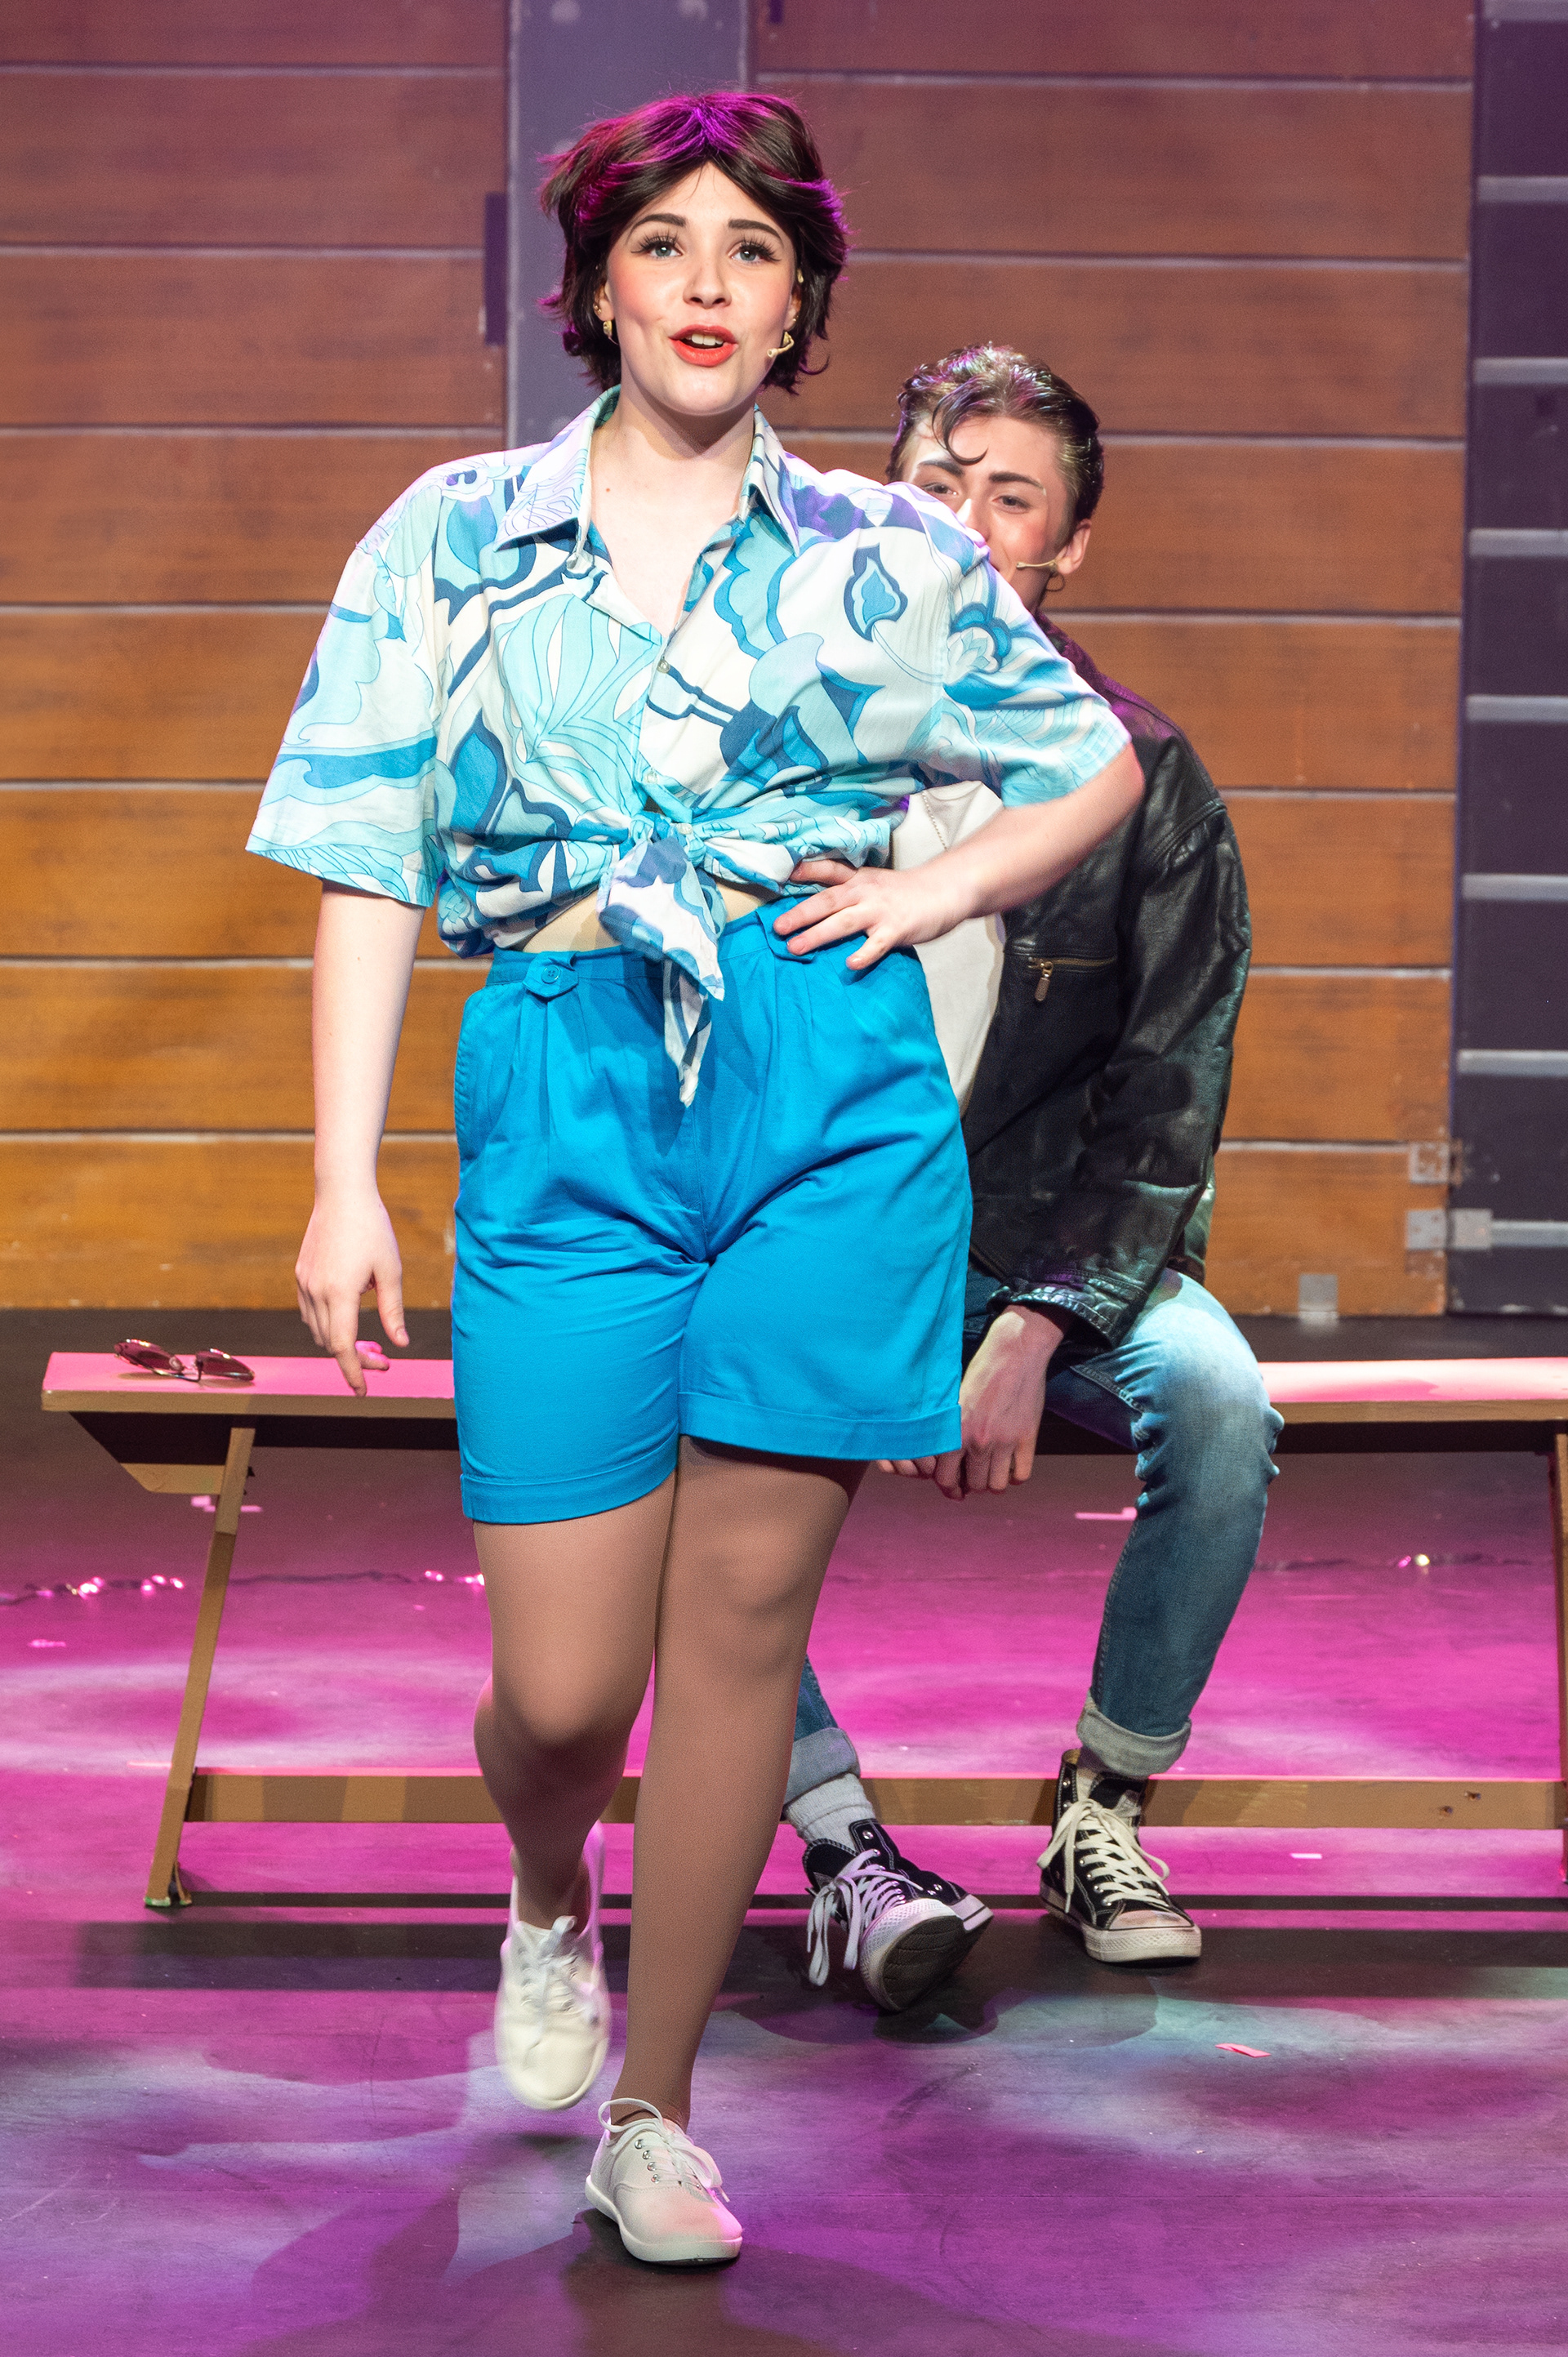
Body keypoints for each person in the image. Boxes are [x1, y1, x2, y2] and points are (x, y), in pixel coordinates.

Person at [247, 104, 1142, 2266]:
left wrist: (936, 890)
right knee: (567, 1691)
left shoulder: (885, 548)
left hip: (825, 1084)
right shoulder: (455, 533)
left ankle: (654, 2109)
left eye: (753, 247)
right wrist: (342, 1177)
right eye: (667, 242)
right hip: (567, 1070)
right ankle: (545, 1882)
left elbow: (1094, 763)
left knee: (739, 1628)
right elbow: (365, 856)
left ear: (800, 298)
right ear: (601, 285)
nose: (711, 281)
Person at [782, 345, 1284, 2007]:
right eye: (937, 482)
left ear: (1066, 545)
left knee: (1216, 1397)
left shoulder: (1143, 778)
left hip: (1045, 1250)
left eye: (1012, 497)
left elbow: (1169, 1089)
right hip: (823, 1240)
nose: (967, 519)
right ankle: (843, 1845)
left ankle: (1102, 1804)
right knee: (645, 1438)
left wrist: (1039, 1320)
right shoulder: (787, 740)